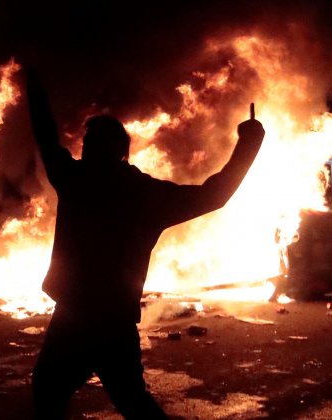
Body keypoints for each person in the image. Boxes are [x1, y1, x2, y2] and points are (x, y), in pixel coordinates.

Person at [26, 68, 265, 419]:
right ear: (124, 152)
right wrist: (249, 143)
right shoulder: (144, 194)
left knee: (53, 390)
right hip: (110, 319)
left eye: (90, 145)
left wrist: (35, 84)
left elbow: (46, 136)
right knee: (125, 400)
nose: (87, 151)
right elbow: (215, 195)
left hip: (76, 316)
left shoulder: (76, 180)